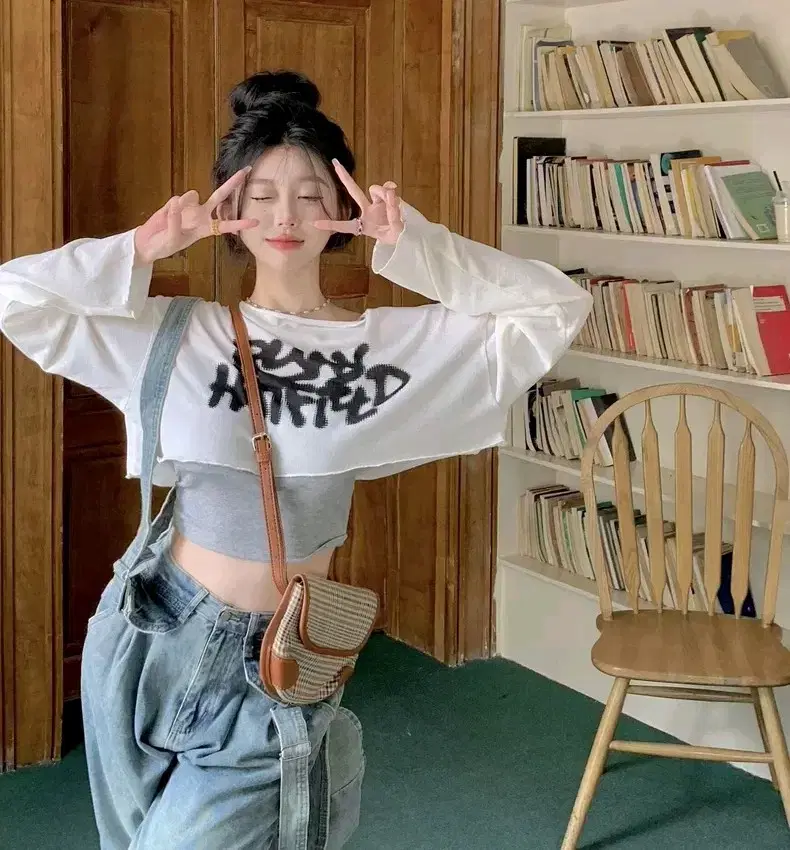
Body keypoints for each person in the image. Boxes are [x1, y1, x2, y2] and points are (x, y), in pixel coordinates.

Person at [0, 70, 592, 849]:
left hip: (271, 659)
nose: (285, 216)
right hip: (147, 633)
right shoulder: (172, 331)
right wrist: (141, 248)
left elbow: (556, 307)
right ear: (229, 210)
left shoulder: (386, 348)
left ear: (343, 209)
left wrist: (419, 247)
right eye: (262, 194)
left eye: (311, 195)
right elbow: (16, 298)